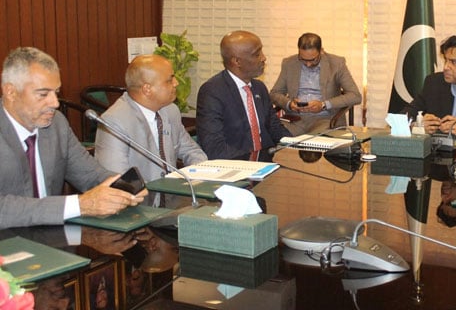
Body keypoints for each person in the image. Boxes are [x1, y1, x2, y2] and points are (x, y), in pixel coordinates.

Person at [0, 47, 144, 229]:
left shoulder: (56, 125)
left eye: (56, 92)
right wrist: (78, 205)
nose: (55, 103)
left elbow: (90, 175)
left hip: (51, 239)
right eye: (43, 94)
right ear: (10, 92)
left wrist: (122, 188)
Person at [94, 55, 207, 206]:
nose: (176, 83)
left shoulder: (170, 110)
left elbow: (192, 151)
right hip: (140, 208)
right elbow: (118, 180)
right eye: (169, 80)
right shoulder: (115, 121)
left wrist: (199, 177)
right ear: (147, 89)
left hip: (175, 200)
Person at [197, 30, 291, 162]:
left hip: (267, 162)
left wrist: (295, 145)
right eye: (257, 54)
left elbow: (275, 128)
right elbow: (215, 147)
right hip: (238, 166)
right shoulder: (213, 92)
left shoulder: (259, 88)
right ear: (237, 61)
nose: (264, 58)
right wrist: (253, 163)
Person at [270, 32, 361, 135]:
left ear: (321, 51)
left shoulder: (336, 64)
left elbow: (355, 96)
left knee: (315, 142)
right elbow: (274, 93)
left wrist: (323, 105)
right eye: (303, 59)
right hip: (295, 120)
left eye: (313, 60)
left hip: (325, 120)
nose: (308, 64)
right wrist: (290, 104)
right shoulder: (289, 63)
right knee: (269, 133)